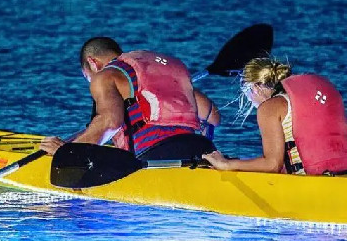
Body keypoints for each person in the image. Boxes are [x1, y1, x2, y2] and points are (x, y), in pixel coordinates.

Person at [40, 37, 220, 159]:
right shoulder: (155, 71)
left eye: (88, 76)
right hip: (198, 149)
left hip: (154, 156)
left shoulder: (105, 75)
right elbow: (213, 117)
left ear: (93, 63)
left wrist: (67, 152)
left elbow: (110, 123)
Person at [202, 57, 347, 174]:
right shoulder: (303, 99)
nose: (250, 98)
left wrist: (227, 164)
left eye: (246, 92)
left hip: (309, 180)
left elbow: (272, 164)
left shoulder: (270, 108)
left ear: (255, 88)